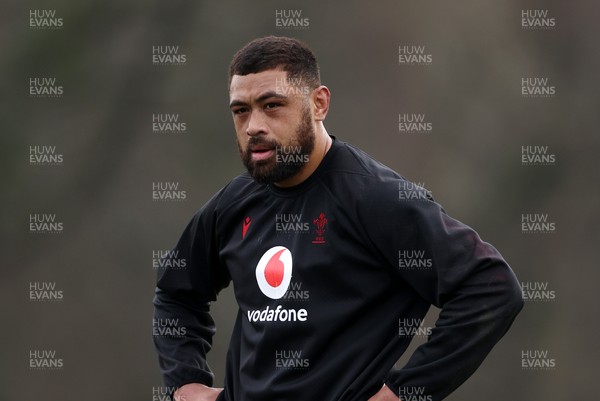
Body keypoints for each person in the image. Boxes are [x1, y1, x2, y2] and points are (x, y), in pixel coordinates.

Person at [153, 36, 523, 401]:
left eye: (272, 105)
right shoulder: (233, 203)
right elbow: (175, 293)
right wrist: (186, 384)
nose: (253, 126)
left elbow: (490, 288)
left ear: (319, 104)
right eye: (241, 110)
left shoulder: (376, 198)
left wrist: (404, 393)